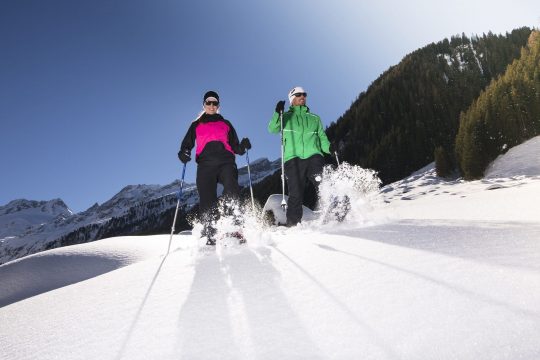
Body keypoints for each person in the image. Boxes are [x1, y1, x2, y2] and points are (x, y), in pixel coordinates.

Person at [178, 90, 251, 245]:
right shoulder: (196, 124)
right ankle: (210, 234)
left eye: (215, 103)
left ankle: (234, 228)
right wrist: (184, 152)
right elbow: (187, 144)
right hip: (205, 165)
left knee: (232, 188)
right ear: (204, 105)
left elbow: (236, 147)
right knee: (207, 198)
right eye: (208, 102)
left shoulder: (226, 124)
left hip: (226, 162)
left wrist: (243, 146)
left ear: (218, 105)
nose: (212, 105)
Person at [268, 86, 333, 226]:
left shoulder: (315, 118)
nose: (302, 96)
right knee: (295, 192)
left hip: (314, 155)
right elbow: (272, 128)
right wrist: (276, 113)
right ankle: (293, 223)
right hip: (293, 158)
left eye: (304, 94)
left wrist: (329, 148)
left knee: (322, 183)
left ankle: (334, 210)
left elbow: (322, 137)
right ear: (292, 99)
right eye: (298, 94)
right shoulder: (284, 116)